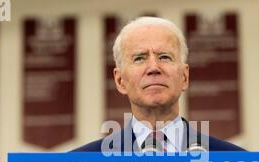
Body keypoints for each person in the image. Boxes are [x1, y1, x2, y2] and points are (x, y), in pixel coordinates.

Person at [72, 16, 245, 153]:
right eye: (139, 58)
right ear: (120, 81)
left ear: (184, 77)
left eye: (164, 57)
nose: (153, 68)